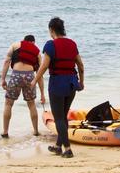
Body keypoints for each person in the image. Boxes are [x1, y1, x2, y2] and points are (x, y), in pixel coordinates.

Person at [31, 17, 84, 158]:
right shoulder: (72, 44)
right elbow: (80, 65)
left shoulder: (50, 45)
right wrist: (82, 82)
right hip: (72, 83)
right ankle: (58, 146)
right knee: (63, 116)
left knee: (59, 118)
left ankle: (67, 149)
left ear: (51, 30)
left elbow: (44, 66)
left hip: (57, 84)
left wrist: (34, 81)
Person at [0, 35, 44, 137]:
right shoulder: (37, 52)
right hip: (30, 76)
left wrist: (3, 79)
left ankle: (5, 132)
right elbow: (40, 74)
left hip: (16, 75)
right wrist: (42, 94)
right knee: (31, 104)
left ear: (24, 40)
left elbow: (7, 62)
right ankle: (36, 131)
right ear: (33, 42)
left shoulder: (15, 45)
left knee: (8, 104)